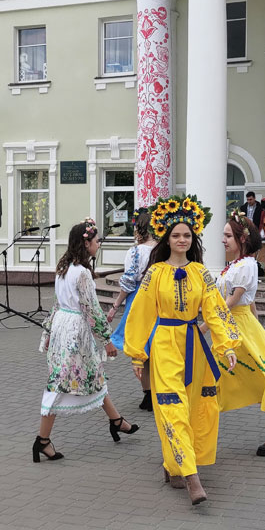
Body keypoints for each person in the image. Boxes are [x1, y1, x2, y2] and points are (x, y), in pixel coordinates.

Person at [124, 195, 240, 505]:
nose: (181, 240)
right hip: (164, 344)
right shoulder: (155, 273)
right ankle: (192, 478)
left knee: (193, 409)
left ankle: (173, 464)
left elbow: (215, 310)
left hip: (194, 346)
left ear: (193, 238)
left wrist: (227, 345)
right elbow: (140, 313)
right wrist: (137, 354)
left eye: (187, 235)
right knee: (171, 408)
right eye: (176, 235)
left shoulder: (201, 273)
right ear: (167, 238)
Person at [35, 218, 139, 462]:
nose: (98, 243)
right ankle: (42, 440)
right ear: (86, 244)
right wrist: (107, 340)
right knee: (59, 383)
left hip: (63, 326)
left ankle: (116, 420)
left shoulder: (64, 267)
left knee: (93, 373)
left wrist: (49, 332)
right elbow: (91, 309)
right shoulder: (81, 273)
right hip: (75, 331)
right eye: (96, 240)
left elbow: (56, 305)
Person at [212, 212, 265, 456]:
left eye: (227, 236)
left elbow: (232, 302)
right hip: (234, 326)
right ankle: (198, 429)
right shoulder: (236, 265)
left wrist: (203, 326)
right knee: (215, 376)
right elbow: (249, 299)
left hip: (239, 328)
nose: (223, 240)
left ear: (242, 238)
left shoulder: (246, 265)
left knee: (264, 377)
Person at [107, 208, 156, 411]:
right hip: (160, 301)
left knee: (140, 348)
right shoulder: (165, 249)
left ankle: (148, 395)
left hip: (139, 301)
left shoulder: (135, 252)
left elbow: (128, 283)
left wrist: (115, 305)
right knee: (157, 347)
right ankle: (161, 391)